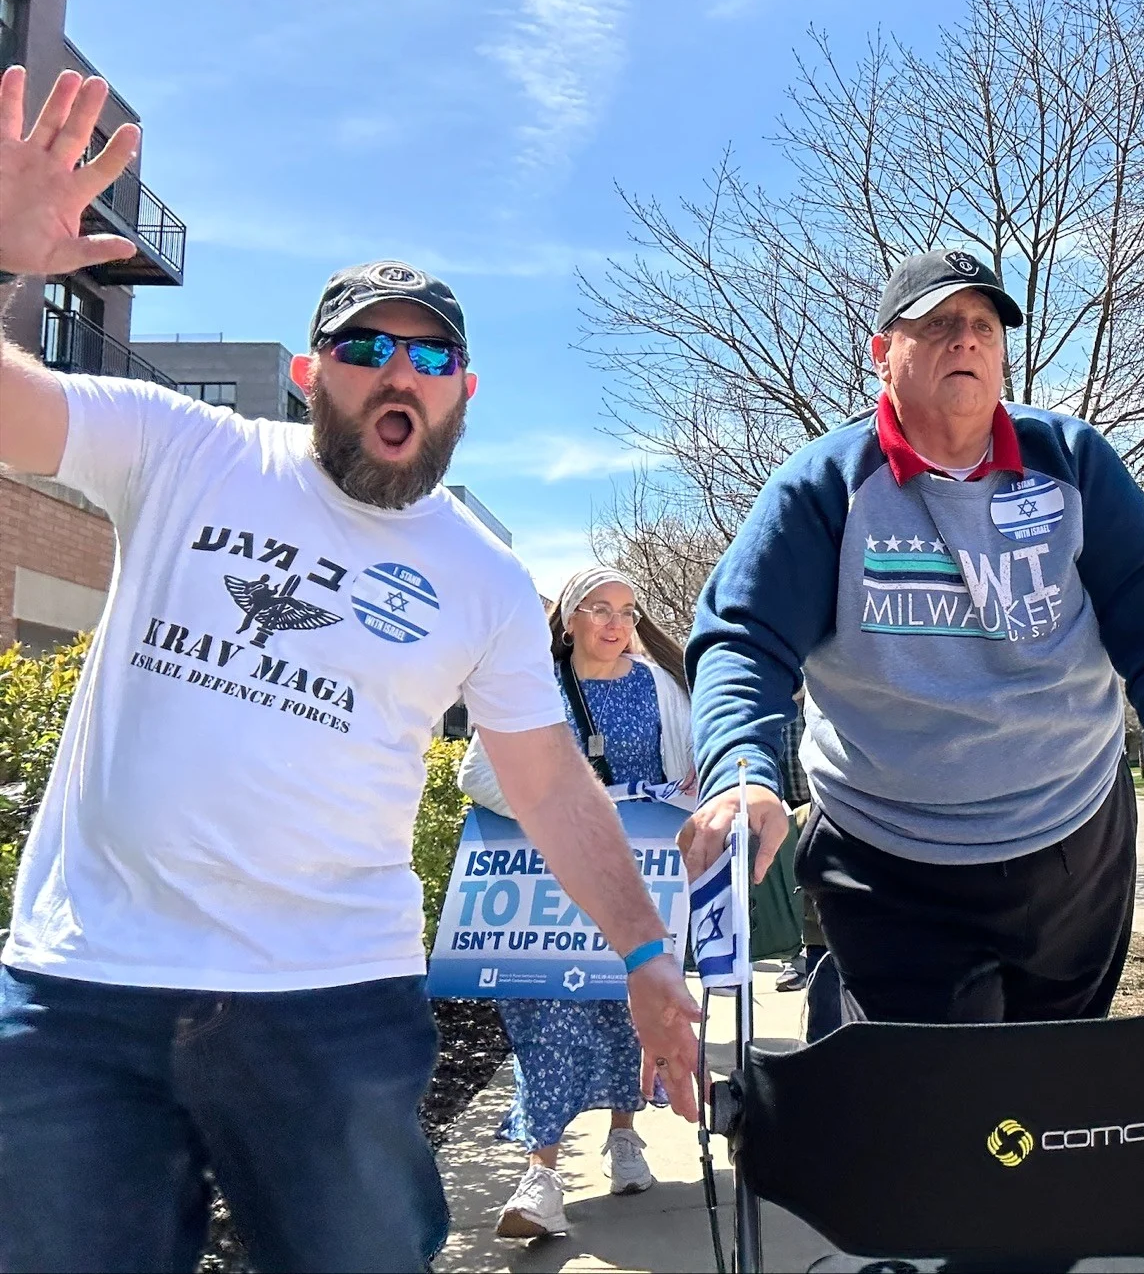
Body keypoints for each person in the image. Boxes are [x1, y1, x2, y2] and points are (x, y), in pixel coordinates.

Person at [0, 67, 699, 1274]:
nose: (399, 370)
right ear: (310, 373)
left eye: (430, 355)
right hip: (87, 984)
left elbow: (550, 784)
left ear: (464, 390)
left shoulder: (482, 574)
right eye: (366, 346)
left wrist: (644, 956)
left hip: (328, 1004)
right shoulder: (185, 450)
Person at [681, 247, 1144, 1027]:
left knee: (1058, 1080)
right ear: (882, 353)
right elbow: (743, 639)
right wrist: (741, 771)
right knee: (932, 1091)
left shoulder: (1071, 461)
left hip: (1072, 838)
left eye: (983, 325)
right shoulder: (825, 485)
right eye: (937, 324)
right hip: (889, 855)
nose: (966, 338)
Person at [457, 568, 697, 1239]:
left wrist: (679, 794)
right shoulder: (532, 687)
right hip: (545, 883)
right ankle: (541, 1175)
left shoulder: (661, 686)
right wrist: (568, 809)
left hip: (633, 879)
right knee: (545, 1017)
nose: (616, 623)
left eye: (627, 610)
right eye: (600, 608)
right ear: (569, 619)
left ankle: (624, 1136)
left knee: (624, 1011)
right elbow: (478, 774)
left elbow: (693, 767)